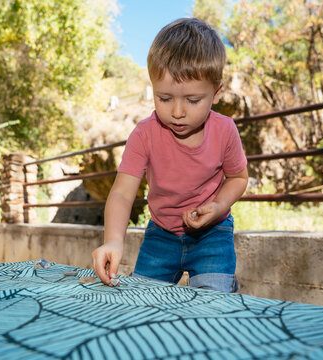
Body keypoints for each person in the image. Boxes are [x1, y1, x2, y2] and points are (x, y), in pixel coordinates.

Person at [92, 17, 248, 292]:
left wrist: (219, 206)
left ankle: (222, 285)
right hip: (160, 236)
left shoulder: (225, 130)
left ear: (216, 92)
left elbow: (237, 177)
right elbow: (121, 193)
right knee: (143, 303)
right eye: (164, 98)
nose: (177, 112)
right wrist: (114, 240)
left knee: (212, 306)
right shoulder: (144, 134)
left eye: (192, 100)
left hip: (213, 234)